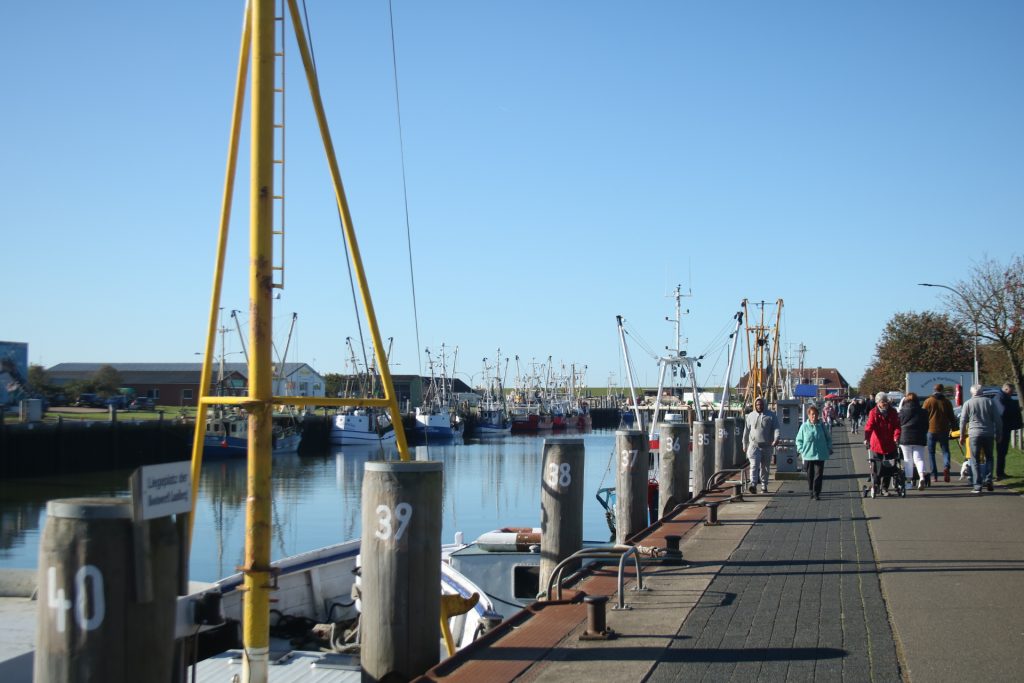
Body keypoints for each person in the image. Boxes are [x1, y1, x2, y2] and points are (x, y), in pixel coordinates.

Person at [959, 384, 1002, 493]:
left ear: (972, 393)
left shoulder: (968, 403)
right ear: (982, 392)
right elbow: (998, 420)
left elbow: (963, 420)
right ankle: (988, 479)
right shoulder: (990, 402)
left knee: (975, 459)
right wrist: (999, 434)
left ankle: (977, 485)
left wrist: (962, 435)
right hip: (988, 433)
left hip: (974, 434)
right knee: (989, 457)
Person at [864, 391, 901, 495]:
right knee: (877, 467)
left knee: (889, 467)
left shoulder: (893, 412)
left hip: (890, 443)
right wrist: (866, 438)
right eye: (882, 401)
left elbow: (897, 426)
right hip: (877, 444)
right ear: (877, 403)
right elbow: (869, 426)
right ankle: (876, 486)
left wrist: (896, 436)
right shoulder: (873, 412)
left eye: (885, 401)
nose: (884, 403)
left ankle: (885, 488)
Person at [743, 396, 780, 494]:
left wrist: (776, 438)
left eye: (761, 404)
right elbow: (746, 431)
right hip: (754, 446)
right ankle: (753, 484)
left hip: (767, 446)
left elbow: (776, 428)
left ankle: (764, 485)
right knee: (754, 466)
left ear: (764, 404)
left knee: (765, 467)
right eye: (757, 404)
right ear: (755, 405)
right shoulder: (750, 416)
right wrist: (744, 443)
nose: (759, 406)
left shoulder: (771, 416)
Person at [796, 404, 832, 500]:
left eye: (815, 414)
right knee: (810, 474)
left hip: (820, 454)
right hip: (808, 454)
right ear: (808, 415)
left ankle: (817, 492)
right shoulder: (804, 426)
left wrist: (829, 447)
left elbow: (828, 438)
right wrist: (801, 450)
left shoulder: (822, 426)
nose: (814, 416)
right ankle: (810, 489)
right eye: (812, 414)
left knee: (819, 474)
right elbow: (798, 440)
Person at [922, 384, 956, 482]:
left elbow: (923, 415)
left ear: (934, 389)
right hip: (944, 429)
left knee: (931, 453)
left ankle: (934, 475)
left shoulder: (928, 401)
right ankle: (946, 466)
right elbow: (952, 417)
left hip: (931, 430)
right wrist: (954, 428)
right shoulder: (947, 402)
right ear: (942, 390)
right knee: (945, 450)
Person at [898, 392, 931, 490]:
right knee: (919, 459)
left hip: (905, 437)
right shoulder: (923, 412)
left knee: (908, 460)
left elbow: (898, 424)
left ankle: (908, 482)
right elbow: (926, 426)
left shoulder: (902, 412)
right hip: (919, 437)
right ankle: (921, 476)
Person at [994, 383, 1021, 480]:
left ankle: (1000, 471)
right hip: (1002, 428)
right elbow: (1003, 411)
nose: (1011, 394)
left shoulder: (1003, 398)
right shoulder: (999, 398)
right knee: (1001, 451)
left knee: (1003, 451)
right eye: (1010, 391)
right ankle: (999, 473)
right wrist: (1015, 408)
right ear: (1005, 389)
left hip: (1004, 428)